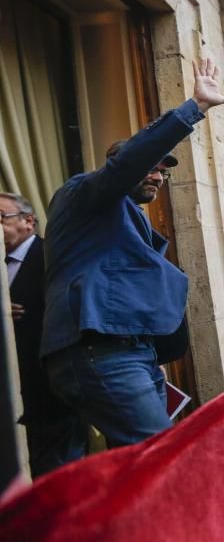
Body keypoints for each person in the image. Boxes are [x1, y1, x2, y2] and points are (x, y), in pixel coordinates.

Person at [41, 58, 224, 455]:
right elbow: (131, 162)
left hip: (129, 354)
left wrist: (148, 354)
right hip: (100, 354)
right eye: (150, 165)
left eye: (164, 171)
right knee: (163, 466)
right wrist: (192, 108)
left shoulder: (127, 220)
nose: (157, 175)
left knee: (132, 473)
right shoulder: (83, 194)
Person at [1, 193, 87, 476]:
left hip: (50, 393)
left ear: (28, 222)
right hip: (12, 396)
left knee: (60, 477)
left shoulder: (52, 258)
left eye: (1, 217)